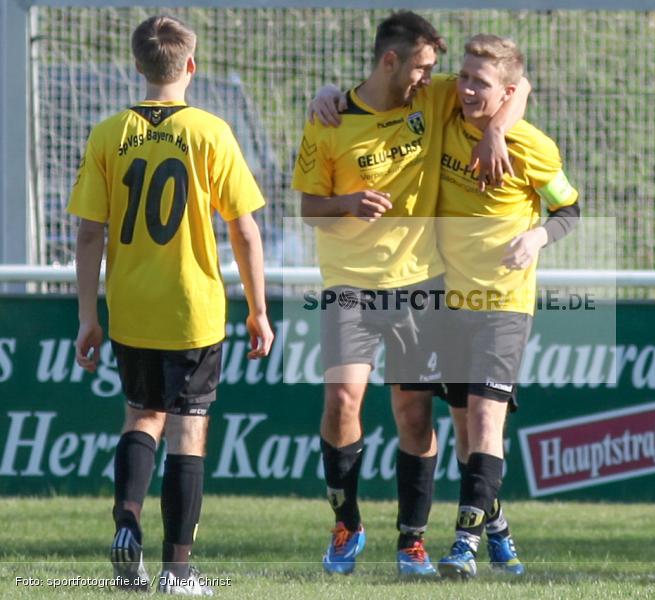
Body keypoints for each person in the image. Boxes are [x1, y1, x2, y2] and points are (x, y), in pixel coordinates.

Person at [294, 11, 527, 577]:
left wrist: (495, 131)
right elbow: (308, 209)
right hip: (349, 285)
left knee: (415, 414)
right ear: (390, 61)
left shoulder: (434, 97)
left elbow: (517, 84)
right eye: (422, 66)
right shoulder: (330, 118)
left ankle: (411, 541)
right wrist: (346, 203)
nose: (431, 77)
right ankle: (346, 523)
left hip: (420, 283)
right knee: (342, 401)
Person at [69, 15, 274, 596]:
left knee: (141, 416)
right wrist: (258, 309)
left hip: (132, 307)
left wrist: (88, 317)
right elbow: (245, 230)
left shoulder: (109, 133)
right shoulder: (211, 131)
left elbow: (89, 232)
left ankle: (126, 523)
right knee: (188, 429)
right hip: (193, 308)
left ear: (138, 65)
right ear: (191, 65)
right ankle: (177, 573)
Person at [431, 34, 580, 579]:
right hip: (448, 299)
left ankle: (463, 546)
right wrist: (329, 96)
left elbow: (569, 209)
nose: (468, 88)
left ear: (507, 92)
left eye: (482, 82)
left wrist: (537, 237)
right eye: (465, 76)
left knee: (486, 420)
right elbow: (392, 88)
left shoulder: (533, 147)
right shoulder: (446, 112)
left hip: (504, 304)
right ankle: (497, 529)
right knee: (465, 434)